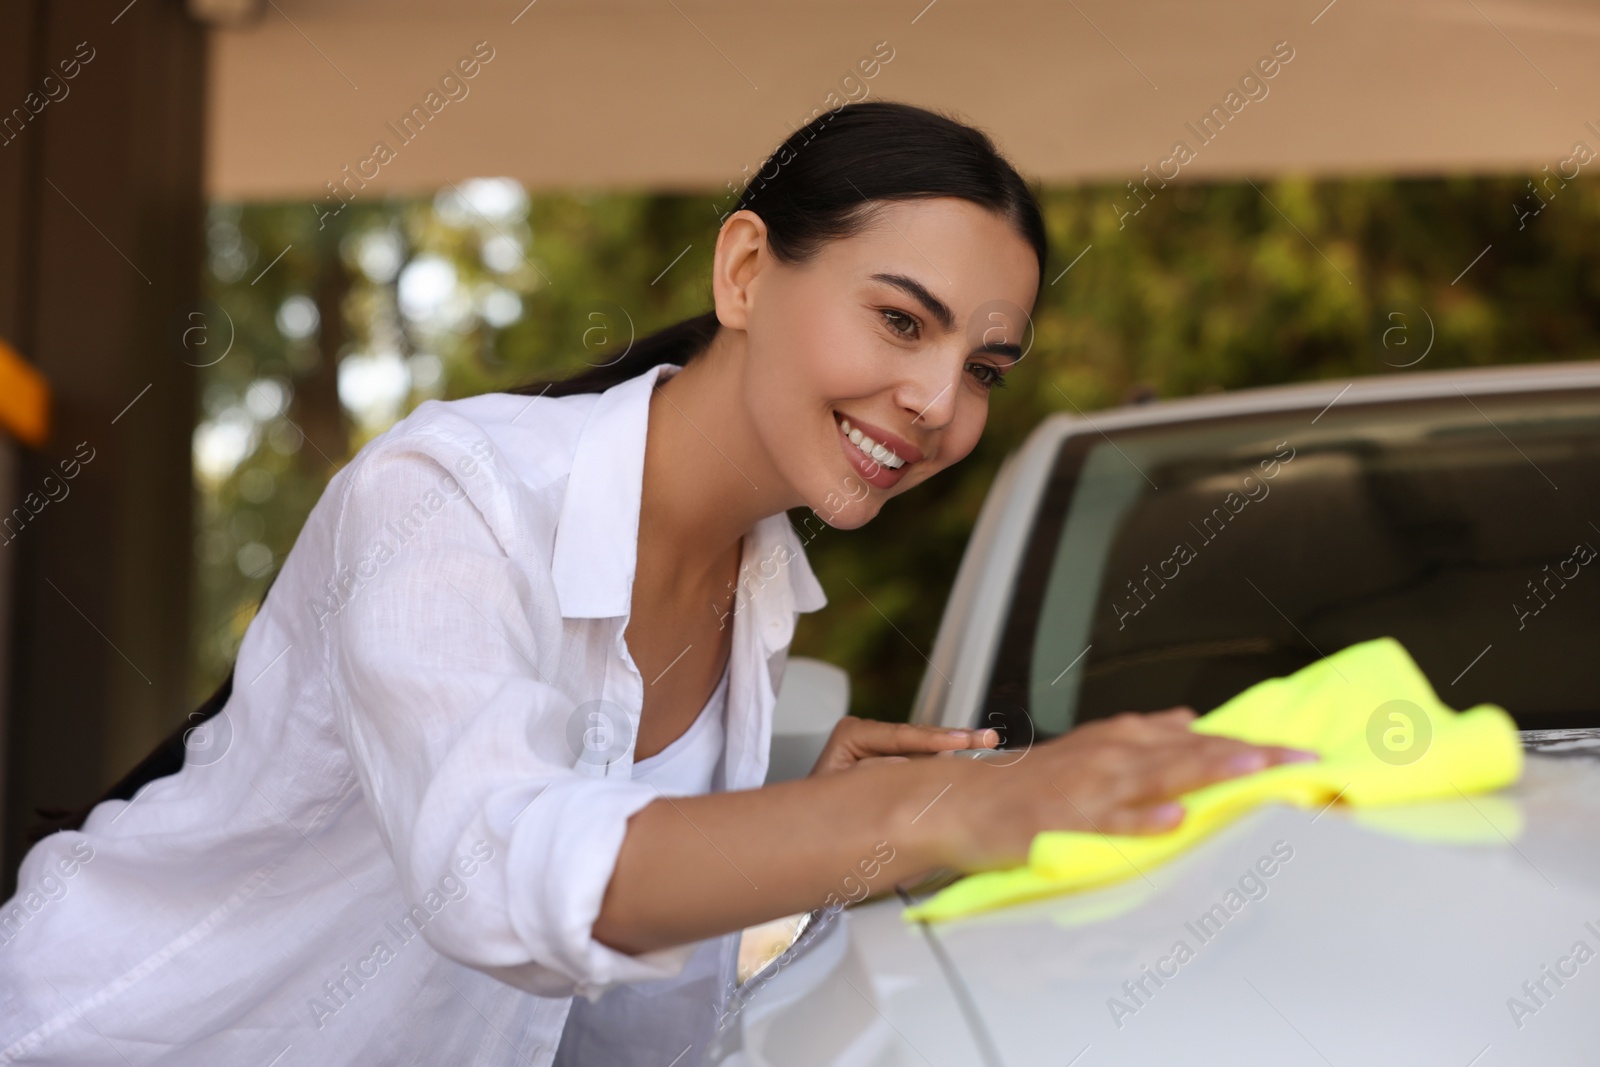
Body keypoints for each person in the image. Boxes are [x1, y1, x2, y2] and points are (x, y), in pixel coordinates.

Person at [0, 100, 1314, 1066]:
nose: (936, 401)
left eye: (985, 367)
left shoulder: (759, 600)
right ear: (746, 271)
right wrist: (943, 812)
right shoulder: (450, 495)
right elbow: (493, 875)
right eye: (902, 321)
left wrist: (811, 853)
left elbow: (624, 1033)